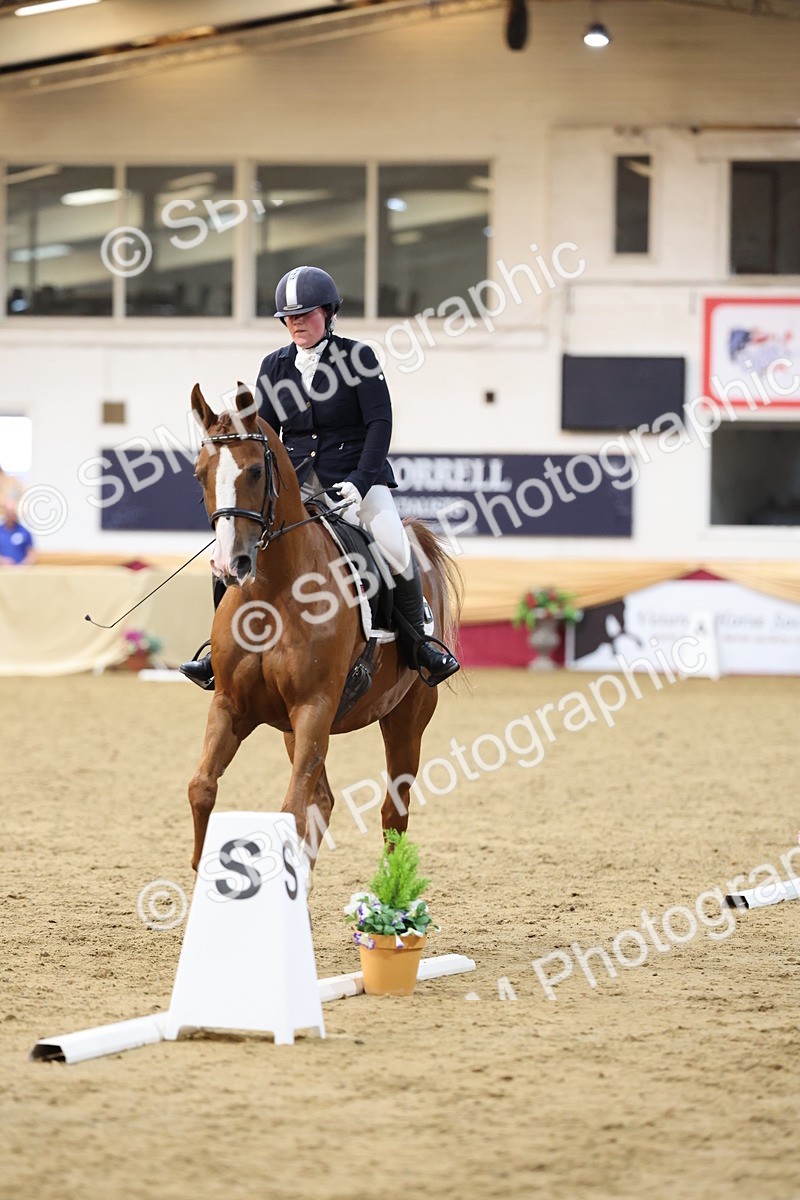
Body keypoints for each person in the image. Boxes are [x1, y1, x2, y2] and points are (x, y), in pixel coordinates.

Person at [181, 264, 460, 690]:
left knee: (392, 542)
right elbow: (265, 433)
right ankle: (218, 652)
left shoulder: (358, 358)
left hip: (354, 479)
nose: (296, 323)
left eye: (304, 315)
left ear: (328, 313)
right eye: (289, 318)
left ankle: (420, 643)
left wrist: (361, 482)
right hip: (296, 483)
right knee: (231, 548)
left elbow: (379, 424)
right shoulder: (273, 365)